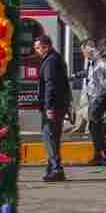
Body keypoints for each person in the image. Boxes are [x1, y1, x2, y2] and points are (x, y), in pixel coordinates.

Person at [33, 33, 71, 182]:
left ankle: (56, 169)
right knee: (53, 137)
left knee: (48, 136)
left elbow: (50, 85)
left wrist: (48, 107)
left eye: (38, 48)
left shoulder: (50, 61)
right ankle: (51, 169)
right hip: (59, 105)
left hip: (53, 106)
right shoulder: (55, 58)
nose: (36, 50)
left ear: (46, 47)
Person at [82, 42, 106, 166]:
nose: (85, 53)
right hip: (94, 98)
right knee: (95, 126)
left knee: (93, 125)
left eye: (86, 50)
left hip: (100, 97)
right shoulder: (93, 63)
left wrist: (105, 91)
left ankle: (99, 155)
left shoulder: (103, 63)